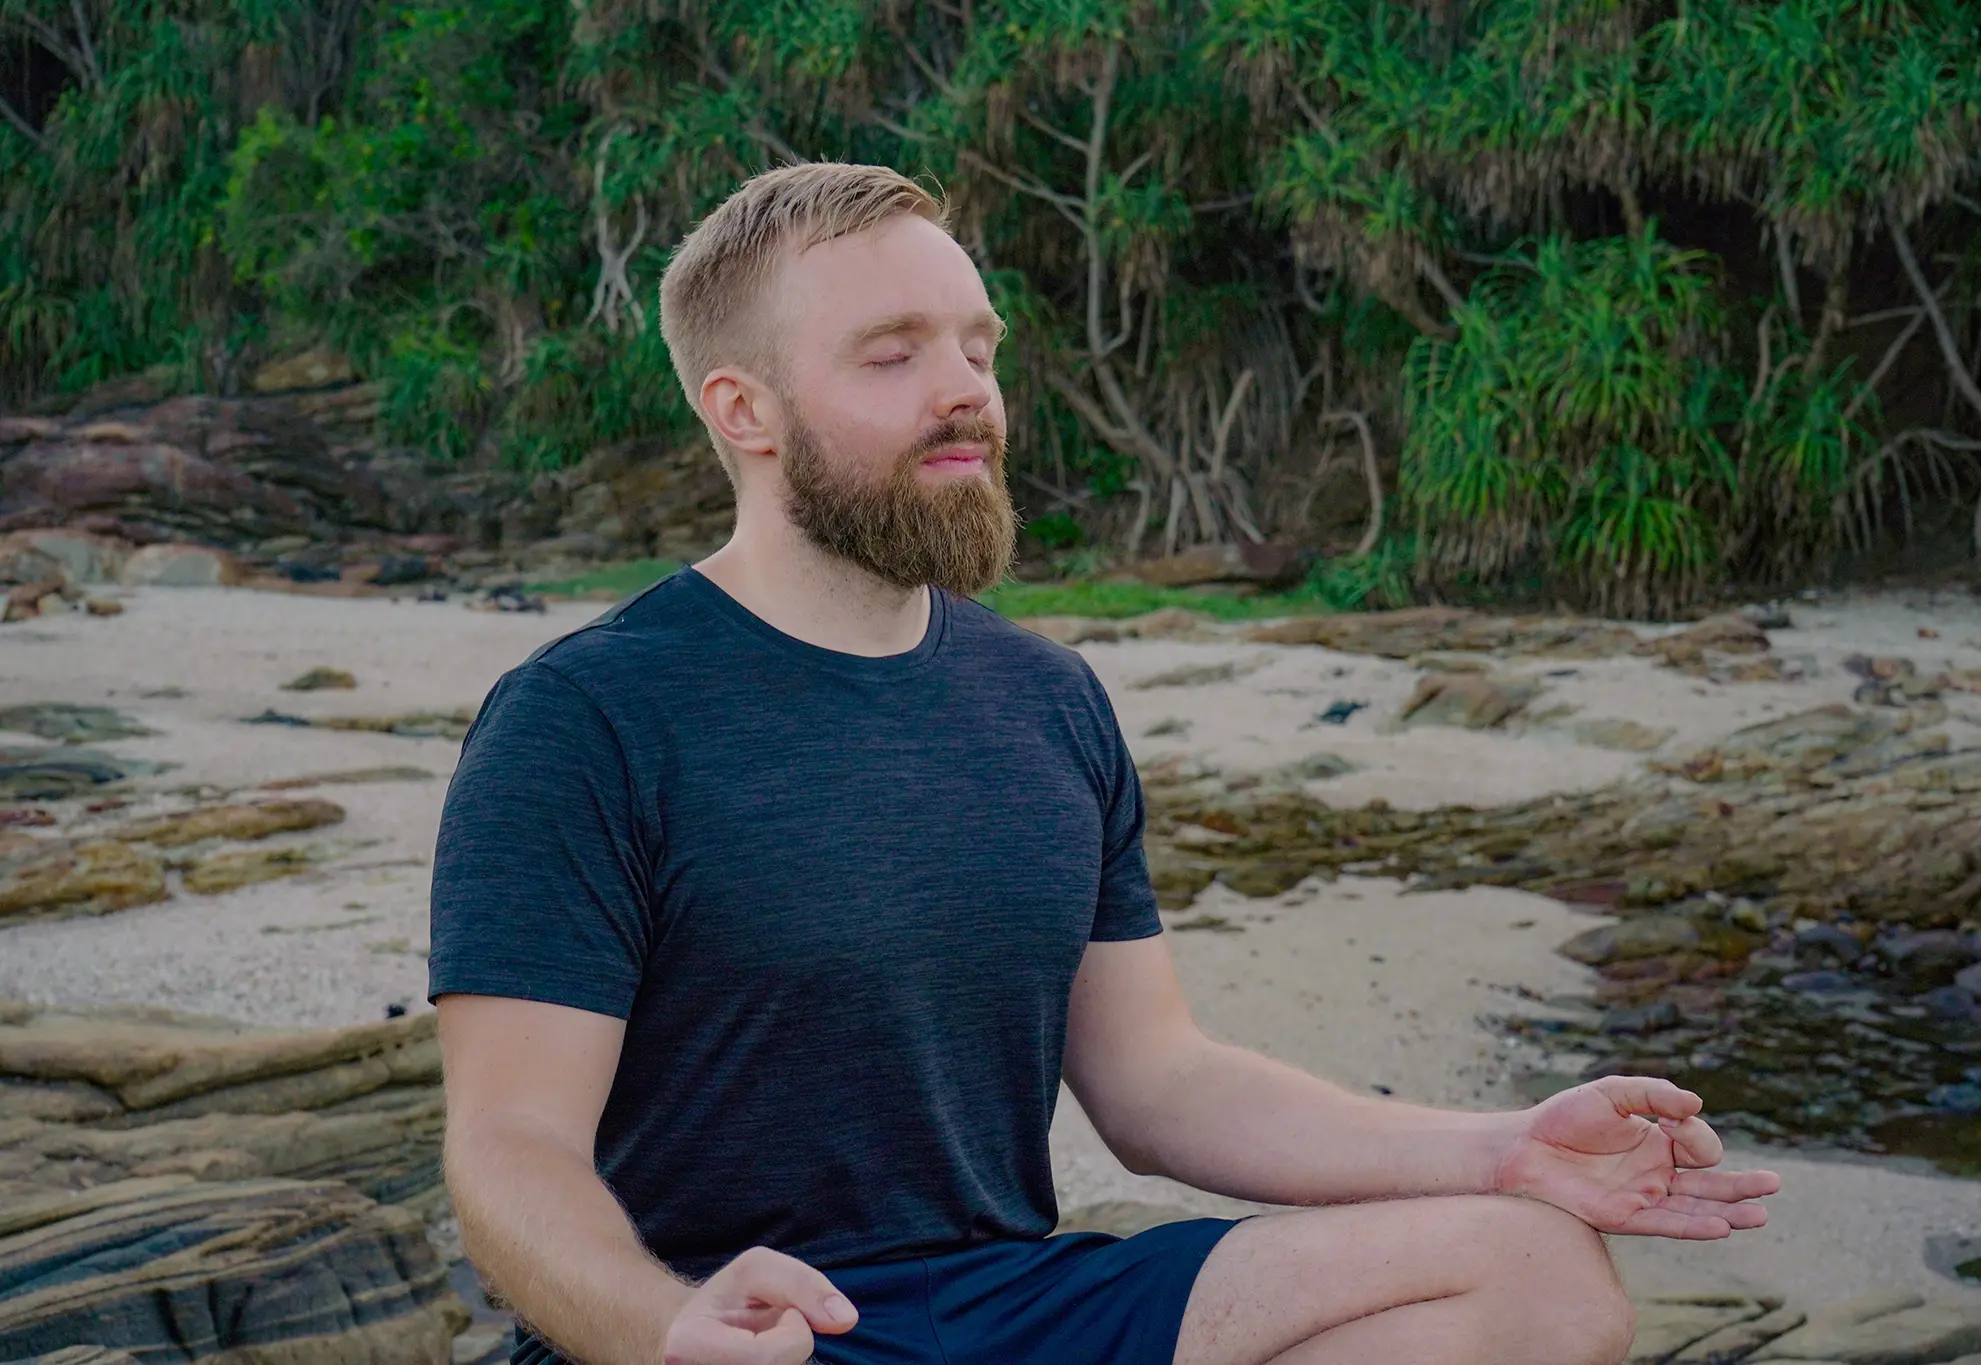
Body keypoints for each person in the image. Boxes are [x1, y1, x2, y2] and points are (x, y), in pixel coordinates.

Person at [428, 162, 1780, 1365]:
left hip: (1011, 1302)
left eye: (976, 345)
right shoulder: (587, 719)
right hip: (746, 1328)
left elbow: (1156, 1083)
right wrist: (659, 1325)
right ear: (745, 410)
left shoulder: (1045, 702)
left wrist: (1502, 1148)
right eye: (891, 355)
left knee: (1537, 1273)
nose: (964, 388)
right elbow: (510, 1147)